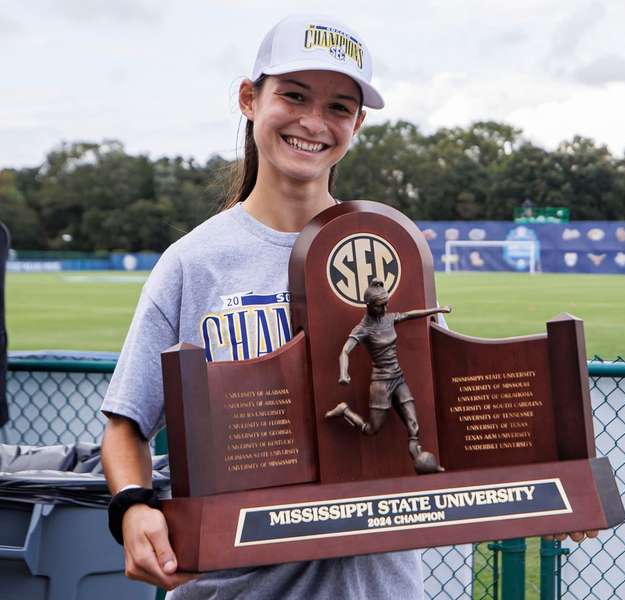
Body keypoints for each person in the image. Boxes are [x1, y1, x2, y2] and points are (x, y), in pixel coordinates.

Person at [100, 14, 425, 598]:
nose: (312, 122)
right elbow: (127, 422)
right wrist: (131, 506)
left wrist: (552, 482)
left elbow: (436, 408)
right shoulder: (193, 261)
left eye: (338, 108)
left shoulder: (387, 250)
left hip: (375, 585)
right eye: (293, 96)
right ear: (250, 99)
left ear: (358, 124)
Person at [326, 279, 449, 473]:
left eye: (386, 304)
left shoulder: (388, 318)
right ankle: (345, 411)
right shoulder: (363, 329)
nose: (385, 308)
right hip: (381, 383)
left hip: (398, 378)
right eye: (380, 305)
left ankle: (422, 463)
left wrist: (437, 311)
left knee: (414, 427)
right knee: (372, 430)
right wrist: (343, 373)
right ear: (369, 306)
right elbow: (345, 351)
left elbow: (410, 315)